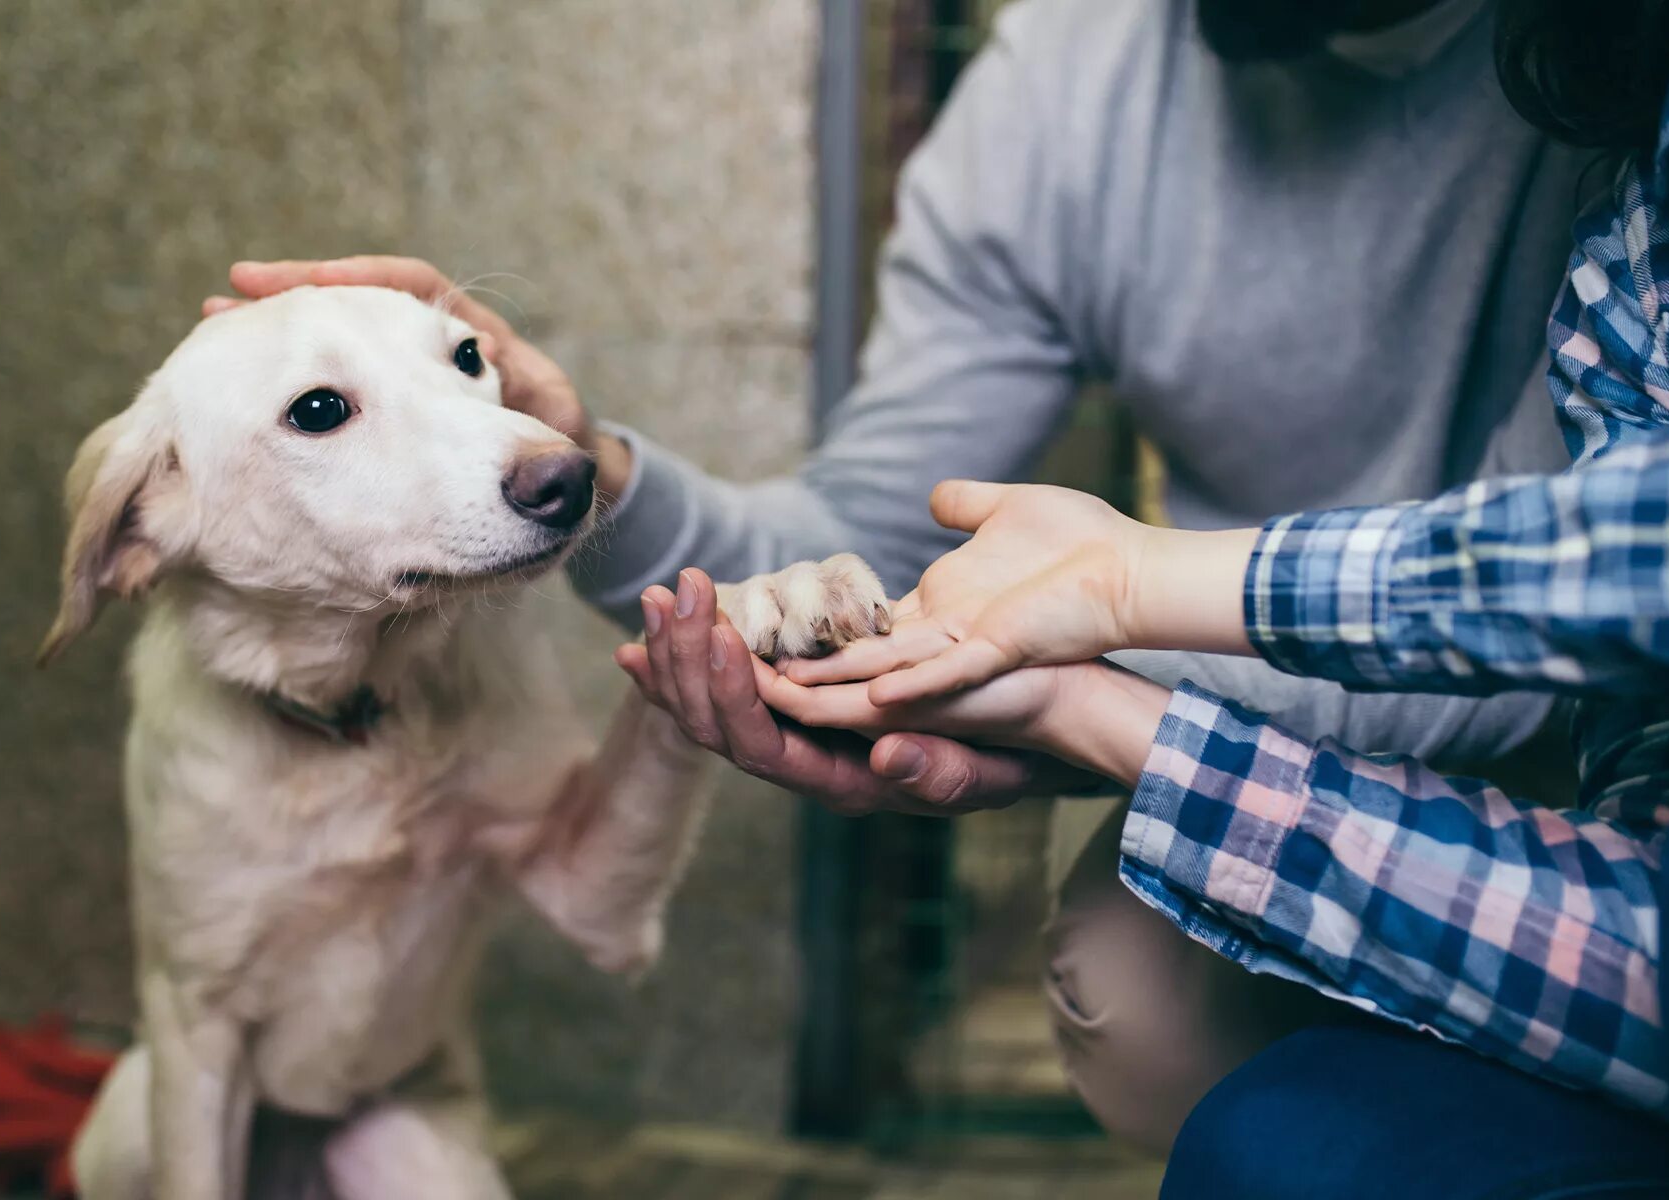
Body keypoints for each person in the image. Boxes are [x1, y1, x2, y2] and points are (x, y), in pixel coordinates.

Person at [214, 0, 1598, 1150]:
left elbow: (1594, 583)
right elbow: (869, 543)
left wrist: (1090, 697)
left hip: (1624, 699)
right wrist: (594, 481)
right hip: (1263, 692)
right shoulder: (1068, 84)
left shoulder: (1635, 64)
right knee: (1137, 1000)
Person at [713, 0, 1669, 1193]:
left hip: (1529, 726)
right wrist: (1081, 715)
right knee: (1272, 1148)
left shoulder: (1565, 136)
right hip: (1585, 799)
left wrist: (1143, 589)